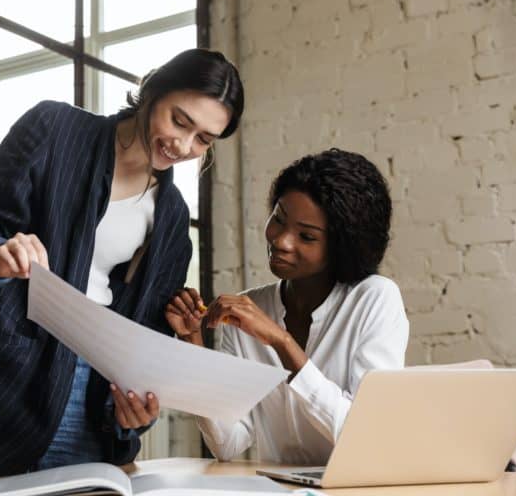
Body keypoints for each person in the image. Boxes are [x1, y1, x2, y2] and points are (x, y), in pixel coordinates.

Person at [0, 48, 244, 479]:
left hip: (92, 400)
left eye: (203, 139)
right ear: (153, 87)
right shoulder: (54, 129)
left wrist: (138, 409)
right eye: (179, 121)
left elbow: (145, 335)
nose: (183, 145)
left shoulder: (173, 217)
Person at [166, 148, 409, 465]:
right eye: (279, 219)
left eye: (306, 236)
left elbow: (366, 435)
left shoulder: (374, 299)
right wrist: (193, 344)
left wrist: (281, 342)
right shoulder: (248, 310)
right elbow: (227, 443)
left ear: (342, 247)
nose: (281, 240)